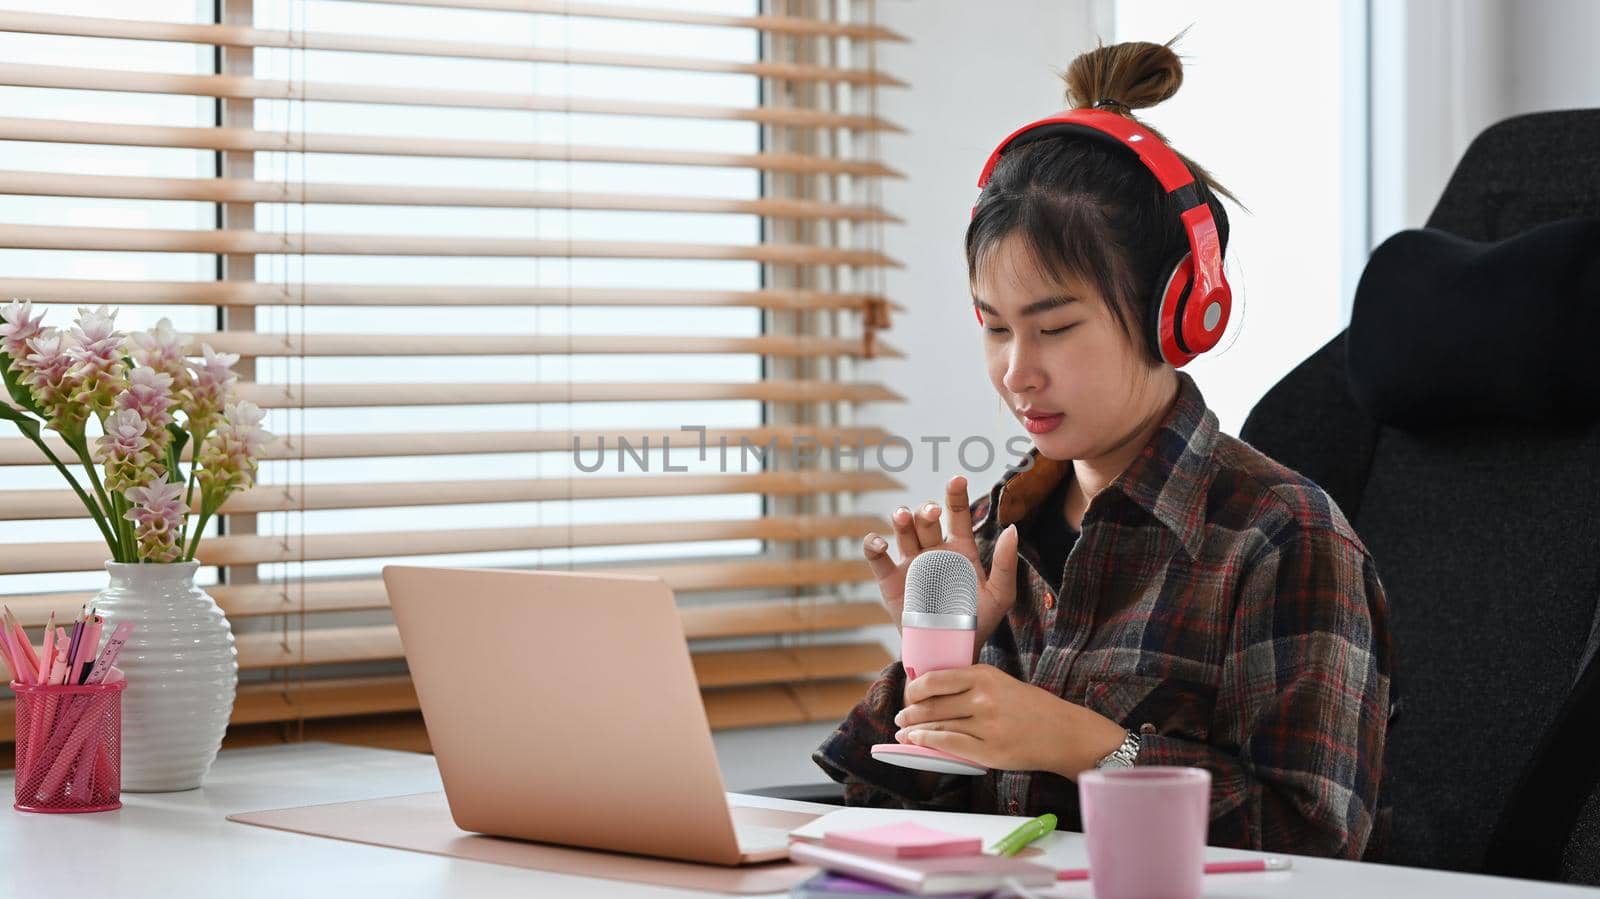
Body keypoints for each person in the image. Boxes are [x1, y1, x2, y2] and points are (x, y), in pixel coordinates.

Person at [812, 36, 1396, 861]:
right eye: (995, 327)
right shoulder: (991, 532)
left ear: (1178, 314)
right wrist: (939, 654)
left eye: (1054, 327)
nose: (1017, 371)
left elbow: (1316, 843)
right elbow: (875, 802)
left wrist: (1092, 746)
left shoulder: (1283, 539)